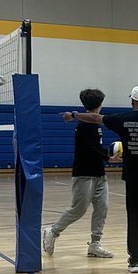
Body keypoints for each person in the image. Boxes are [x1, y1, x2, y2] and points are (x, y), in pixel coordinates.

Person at [64, 84, 138, 274]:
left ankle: (134, 261)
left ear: (132, 101)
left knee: (135, 218)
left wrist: (74, 115)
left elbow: (94, 117)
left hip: (134, 178)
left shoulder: (122, 120)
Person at [44, 88, 113, 258]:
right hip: (84, 174)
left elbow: (96, 147)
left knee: (102, 208)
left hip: (99, 174)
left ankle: (95, 244)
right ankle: (52, 231)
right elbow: (89, 150)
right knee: (78, 209)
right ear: (99, 104)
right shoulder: (84, 126)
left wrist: (109, 154)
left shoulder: (93, 123)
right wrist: (108, 157)